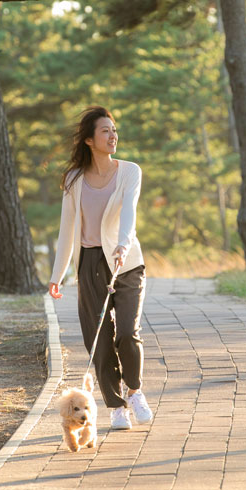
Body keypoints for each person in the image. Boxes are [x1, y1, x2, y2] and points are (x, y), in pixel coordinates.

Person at [48, 106, 152, 430]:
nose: (113, 135)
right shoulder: (74, 180)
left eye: (114, 130)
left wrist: (123, 244)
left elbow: (129, 214)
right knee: (100, 340)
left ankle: (134, 390)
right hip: (90, 263)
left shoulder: (130, 171)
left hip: (127, 262)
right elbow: (67, 231)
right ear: (90, 140)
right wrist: (57, 276)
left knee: (126, 334)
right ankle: (116, 405)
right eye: (105, 131)